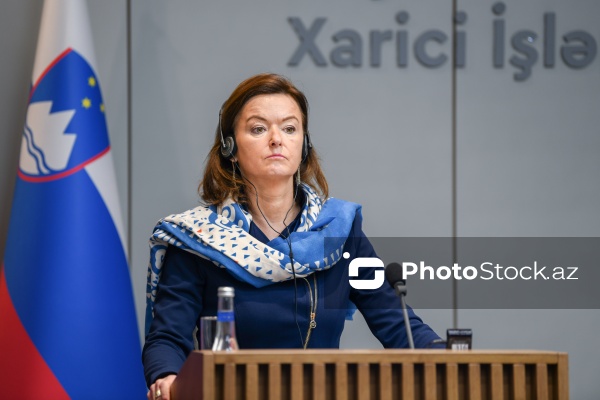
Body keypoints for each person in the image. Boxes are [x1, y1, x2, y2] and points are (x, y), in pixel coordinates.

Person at [142, 73, 444, 400]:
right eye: (258, 129)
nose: (276, 140)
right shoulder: (199, 240)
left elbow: (396, 321)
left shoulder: (337, 231)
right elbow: (168, 338)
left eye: (289, 128)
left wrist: (446, 356)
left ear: (304, 145)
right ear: (230, 147)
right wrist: (168, 378)